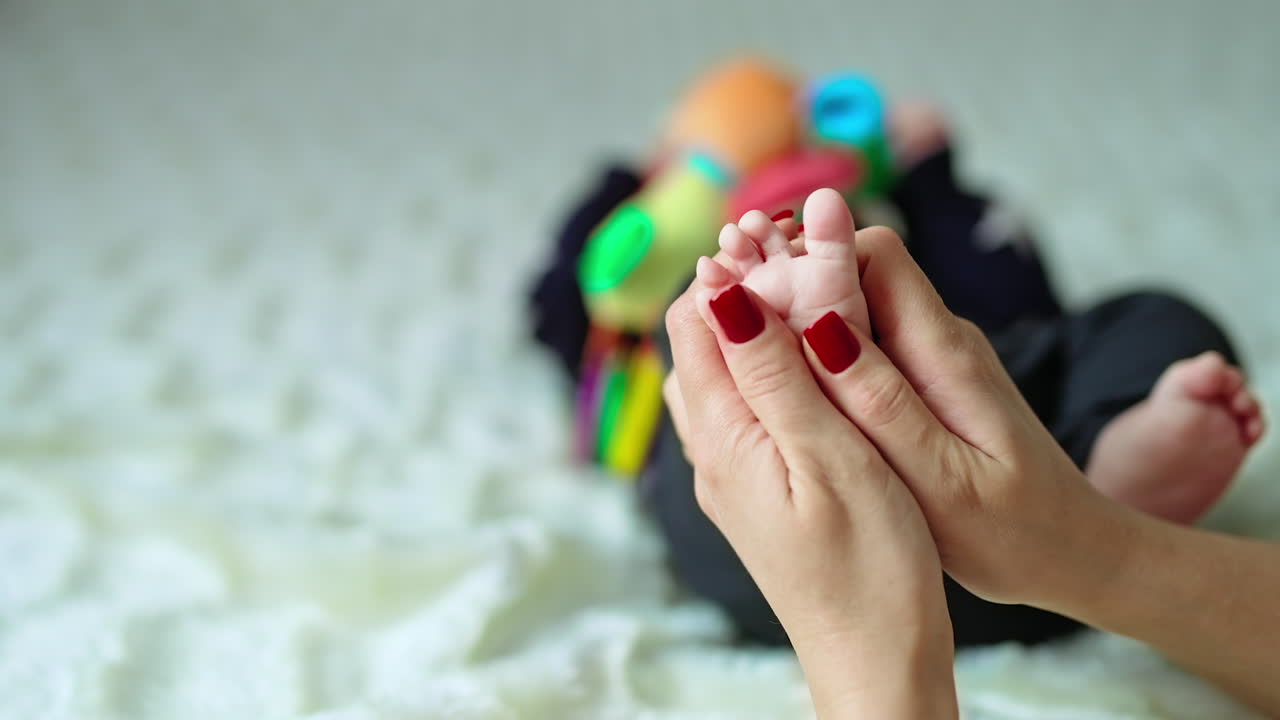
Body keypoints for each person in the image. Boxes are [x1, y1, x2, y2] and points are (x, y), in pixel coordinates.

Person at [660, 205, 1278, 717]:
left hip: (985, 417)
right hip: (807, 530)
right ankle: (1096, 474)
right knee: (695, 373)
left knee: (1153, 322)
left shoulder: (901, 202)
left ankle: (1094, 472)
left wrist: (931, 180)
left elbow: (1006, 263)